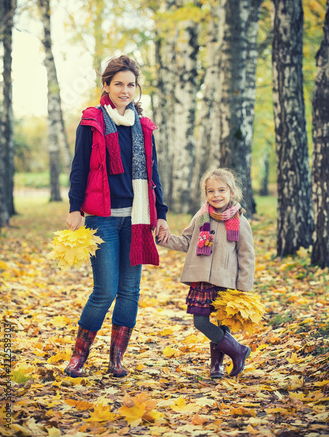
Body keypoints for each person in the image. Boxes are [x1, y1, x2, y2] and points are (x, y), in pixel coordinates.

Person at [64, 55, 170, 378]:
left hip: (136, 219)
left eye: (131, 85)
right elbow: (80, 166)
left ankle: (116, 359)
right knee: (105, 290)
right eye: (119, 84)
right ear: (106, 86)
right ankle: (78, 357)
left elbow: (153, 174)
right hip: (104, 218)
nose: (125, 90)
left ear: (137, 89)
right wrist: (74, 207)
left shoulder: (144, 127)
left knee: (130, 291)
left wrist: (161, 214)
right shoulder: (93, 121)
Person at [157, 168, 255, 378]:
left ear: (231, 192)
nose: (216, 195)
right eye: (211, 191)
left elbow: (246, 255)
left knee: (222, 325)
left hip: (227, 281)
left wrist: (243, 286)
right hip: (202, 280)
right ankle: (238, 351)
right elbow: (187, 242)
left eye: (221, 190)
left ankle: (216, 366)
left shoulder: (240, 221)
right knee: (200, 322)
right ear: (206, 194)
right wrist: (164, 238)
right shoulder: (201, 217)